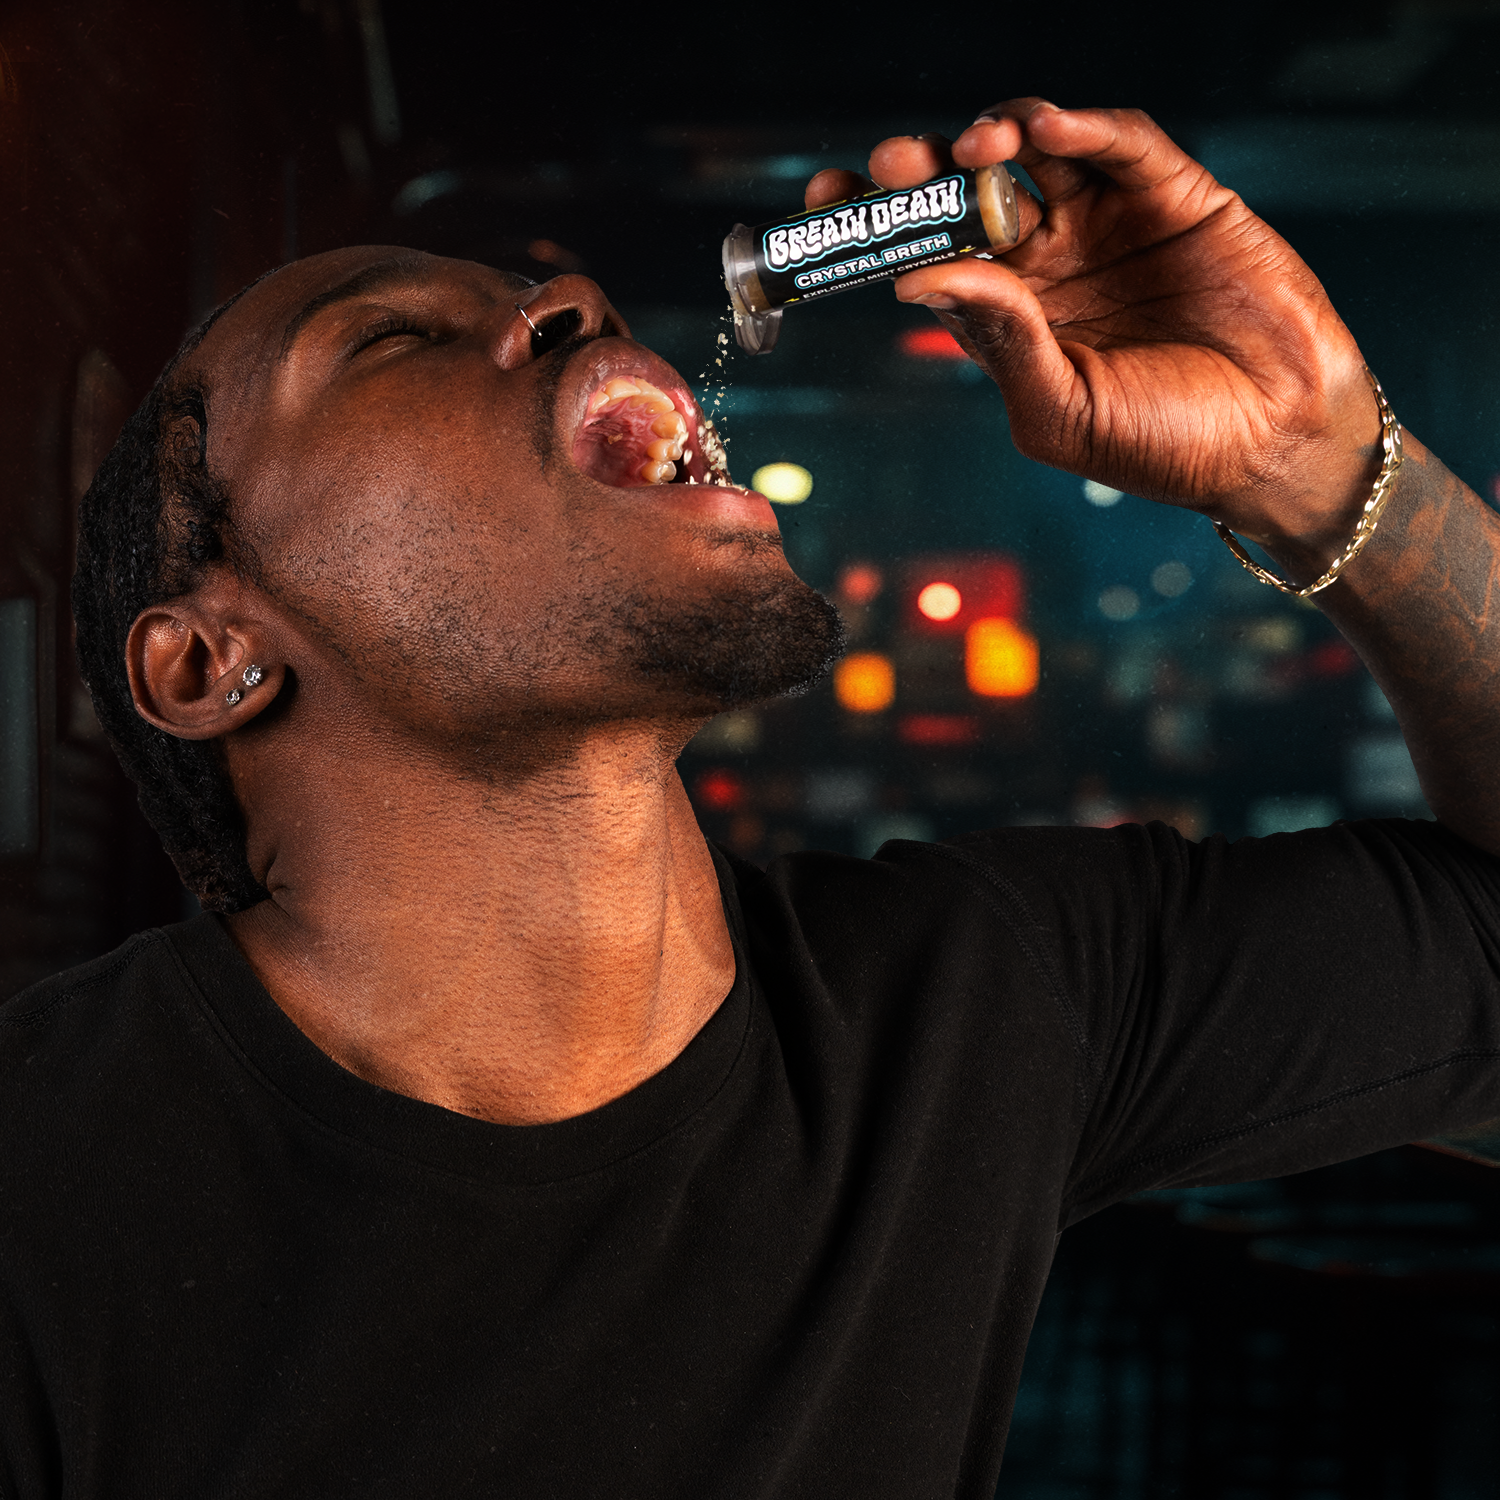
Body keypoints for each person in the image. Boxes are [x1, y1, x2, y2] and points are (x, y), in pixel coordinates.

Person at [6, 99, 1500, 1498]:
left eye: (557, 301)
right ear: (212, 659)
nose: (571, 299)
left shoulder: (991, 1008)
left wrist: (1319, 466)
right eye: (389, 341)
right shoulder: (45, 1189)